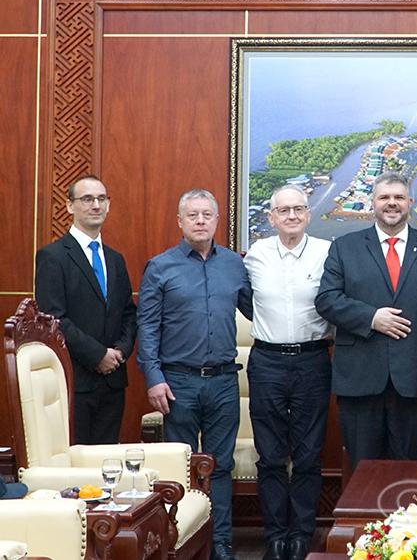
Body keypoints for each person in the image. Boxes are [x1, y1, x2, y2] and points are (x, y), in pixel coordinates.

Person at [137, 189, 252, 560]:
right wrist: (153, 377)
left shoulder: (234, 265)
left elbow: (260, 312)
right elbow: (147, 327)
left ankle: (221, 544)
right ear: (180, 221)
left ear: (217, 220)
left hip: (223, 380)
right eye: (193, 215)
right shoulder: (160, 267)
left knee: (220, 465)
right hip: (177, 382)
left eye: (207, 214)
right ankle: (185, 543)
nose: (200, 221)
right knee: (182, 467)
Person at [314, 171, 417, 468]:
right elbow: (327, 300)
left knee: (405, 469)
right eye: (384, 197)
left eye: (399, 197)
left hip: (414, 378)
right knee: (363, 468)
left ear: (410, 202)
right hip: (360, 377)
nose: (392, 203)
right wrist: (371, 317)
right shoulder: (344, 247)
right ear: (373, 203)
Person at [244, 185, 333, 560]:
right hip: (267, 362)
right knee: (271, 456)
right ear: (271, 217)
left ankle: (301, 536)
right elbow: (243, 299)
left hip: (313, 360)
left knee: (309, 455)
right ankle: (276, 537)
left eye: (299, 209)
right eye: (284, 210)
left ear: (308, 214)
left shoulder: (327, 253)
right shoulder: (255, 255)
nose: (292, 215)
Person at [34, 174, 137, 445]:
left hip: (113, 379)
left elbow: (129, 313)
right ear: (70, 205)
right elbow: (53, 318)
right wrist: (97, 355)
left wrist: (120, 351)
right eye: (87, 199)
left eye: (101, 199)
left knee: (106, 460)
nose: (96, 205)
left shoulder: (115, 259)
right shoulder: (53, 256)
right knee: (77, 460)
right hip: (75, 379)